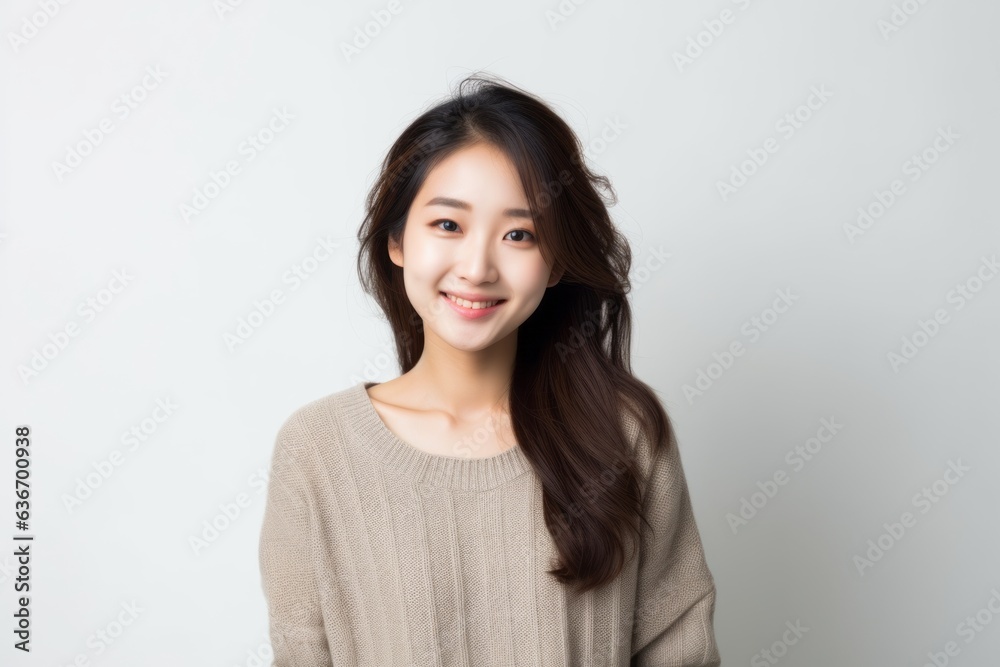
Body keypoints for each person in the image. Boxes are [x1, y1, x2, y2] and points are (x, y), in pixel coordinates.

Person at [258, 73, 721, 666]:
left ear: (556, 264)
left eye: (520, 234)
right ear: (396, 241)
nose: (477, 267)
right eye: (448, 225)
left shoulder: (623, 435)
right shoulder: (319, 450)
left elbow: (680, 651)